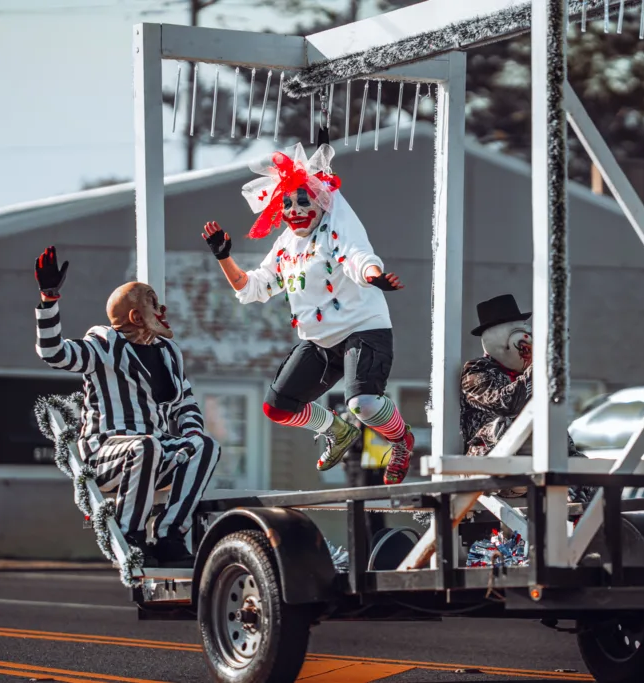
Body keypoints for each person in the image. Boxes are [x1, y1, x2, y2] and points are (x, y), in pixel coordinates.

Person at [201, 142, 415, 485]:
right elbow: (254, 287)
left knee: (364, 404)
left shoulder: (335, 229)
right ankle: (339, 431)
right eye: (286, 203)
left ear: (321, 201)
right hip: (318, 340)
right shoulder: (286, 245)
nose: (295, 209)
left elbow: (357, 256)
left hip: (362, 329)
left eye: (303, 200)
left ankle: (401, 442)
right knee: (277, 408)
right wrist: (224, 256)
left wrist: (374, 276)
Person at [33, 246, 221, 566]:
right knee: (145, 446)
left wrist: (188, 446)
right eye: (153, 304)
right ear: (136, 316)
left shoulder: (168, 352)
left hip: (154, 451)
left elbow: (185, 403)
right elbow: (54, 354)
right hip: (106, 453)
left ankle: (168, 535)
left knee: (204, 445)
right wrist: (49, 299)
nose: (162, 310)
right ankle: (131, 534)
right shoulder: (103, 345)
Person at [460, 294, 592, 502]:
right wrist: (539, 365)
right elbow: (505, 403)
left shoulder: (531, 374)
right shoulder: (476, 372)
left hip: (535, 460)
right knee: (515, 424)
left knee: (594, 474)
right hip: (490, 457)